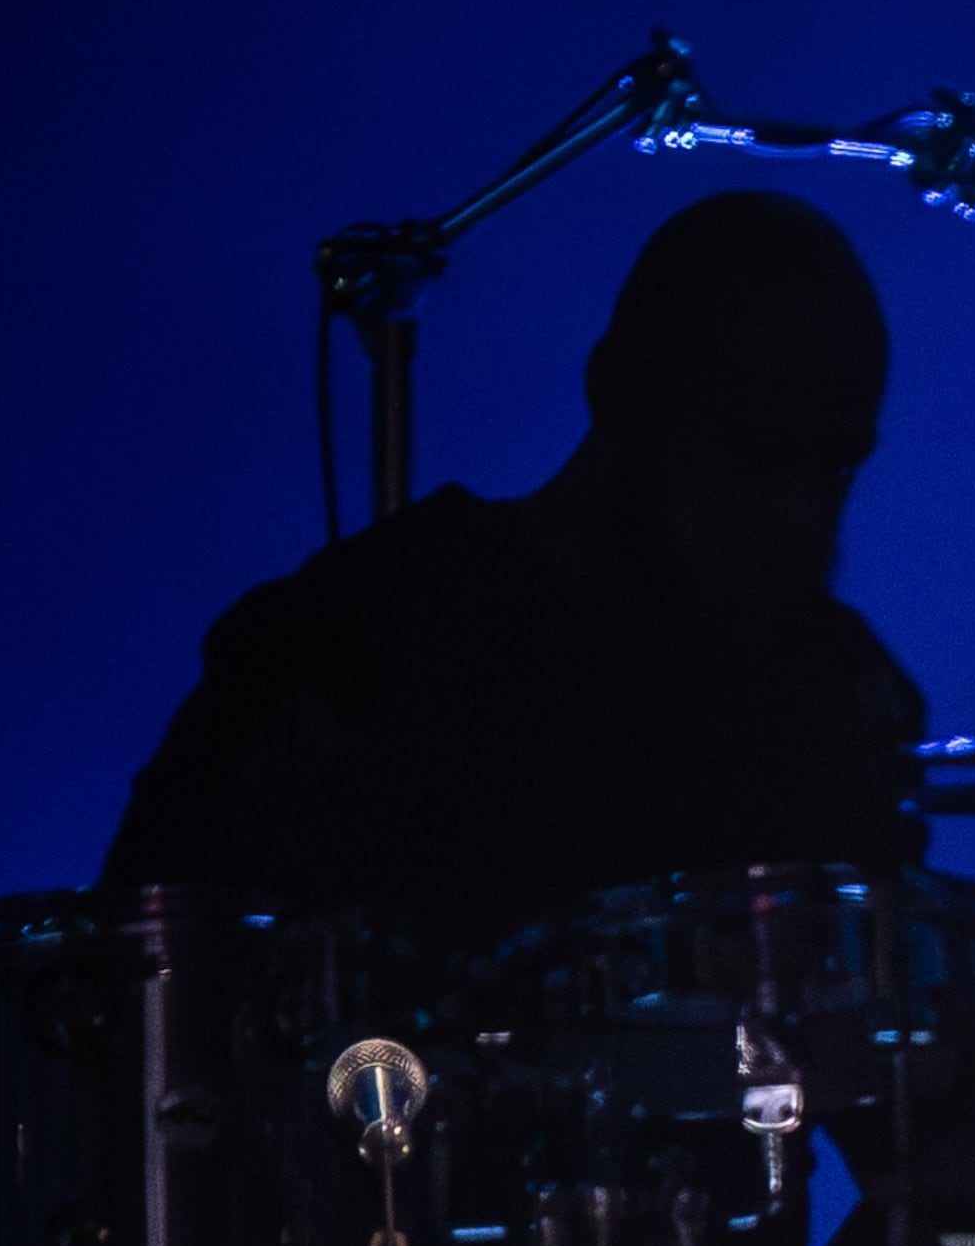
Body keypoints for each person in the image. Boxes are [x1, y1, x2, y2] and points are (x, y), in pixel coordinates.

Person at [106, 189, 926, 947]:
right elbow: (132, 1002)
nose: (800, 514)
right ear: (620, 395)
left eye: (838, 469)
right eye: (758, 455)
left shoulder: (834, 697)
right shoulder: (350, 640)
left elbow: (905, 1090)